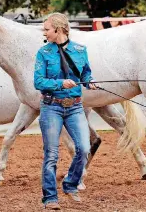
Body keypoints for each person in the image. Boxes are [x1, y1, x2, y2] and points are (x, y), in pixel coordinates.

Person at [34, 12, 98, 210]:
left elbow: (85, 72)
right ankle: (50, 198)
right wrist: (61, 83)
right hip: (51, 106)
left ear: (58, 29)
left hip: (75, 107)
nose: (44, 32)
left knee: (84, 148)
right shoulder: (43, 53)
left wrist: (89, 82)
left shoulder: (80, 50)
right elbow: (38, 81)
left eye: (47, 29)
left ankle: (70, 184)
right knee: (51, 154)